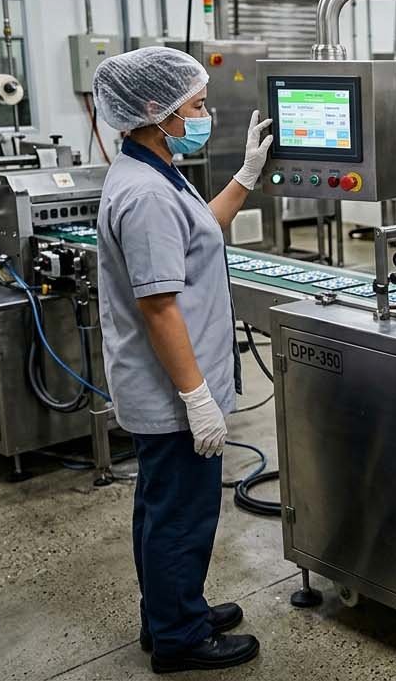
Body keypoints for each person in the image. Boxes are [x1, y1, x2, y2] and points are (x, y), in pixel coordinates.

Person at [92, 46, 272, 673]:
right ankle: (179, 638)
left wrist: (246, 176)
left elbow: (202, 230)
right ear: (155, 110)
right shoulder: (145, 194)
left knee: (162, 508)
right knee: (180, 517)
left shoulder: (158, 170)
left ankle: (170, 611)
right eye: (196, 105)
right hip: (170, 395)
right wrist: (197, 400)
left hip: (170, 386)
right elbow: (160, 308)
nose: (204, 115)